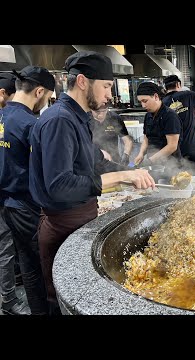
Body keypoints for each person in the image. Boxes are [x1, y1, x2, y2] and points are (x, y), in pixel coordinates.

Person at [29, 51, 155, 313]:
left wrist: (132, 174)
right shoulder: (60, 120)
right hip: (61, 226)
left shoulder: (78, 118)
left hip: (80, 221)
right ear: (83, 82)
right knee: (65, 303)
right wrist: (122, 176)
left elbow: (96, 162)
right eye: (107, 86)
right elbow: (59, 185)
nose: (110, 94)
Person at [0, 66, 56, 315]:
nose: (46, 103)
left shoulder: (3, 116)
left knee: (28, 265)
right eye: (47, 98)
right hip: (26, 206)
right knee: (46, 266)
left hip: (7, 205)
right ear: (39, 91)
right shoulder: (29, 123)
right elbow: (45, 170)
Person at [0, 71, 31, 315]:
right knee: (12, 252)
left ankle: (9, 299)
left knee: (7, 252)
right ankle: (11, 302)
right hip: (15, 197)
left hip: (5, 195)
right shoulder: (24, 121)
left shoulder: (3, 116)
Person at [162, 74, 195, 165]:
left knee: (176, 178)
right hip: (193, 150)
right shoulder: (188, 95)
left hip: (173, 155)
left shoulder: (162, 103)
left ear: (165, 88)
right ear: (178, 85)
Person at [134, 81, 183, 166]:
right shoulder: (148, 115)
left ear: (156, 97)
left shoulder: (170, 116)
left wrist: (150, 161)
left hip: (171, 165)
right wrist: (141, 154)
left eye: (145, 101)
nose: (143, 105)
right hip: (153, 163)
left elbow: (172, 146)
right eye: (140, 102)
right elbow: (146, 138)